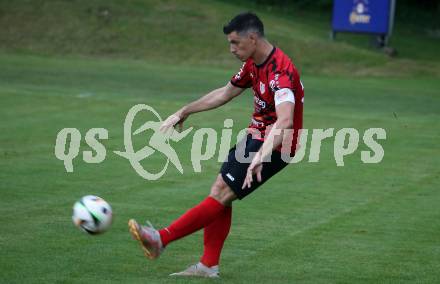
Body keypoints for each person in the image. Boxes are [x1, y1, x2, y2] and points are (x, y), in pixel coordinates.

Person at [128, 12, 304, 278]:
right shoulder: (253, 64)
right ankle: (208, 265)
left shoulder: (281, 73)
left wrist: (262, 154)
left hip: (277, 145)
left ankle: (160, 239)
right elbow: (225, 92)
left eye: (235, 43)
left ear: (253, 38)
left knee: (222, 191)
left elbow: (286, 121)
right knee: (222, 191)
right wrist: (184, 111)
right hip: (257, 137)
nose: (231, 49)